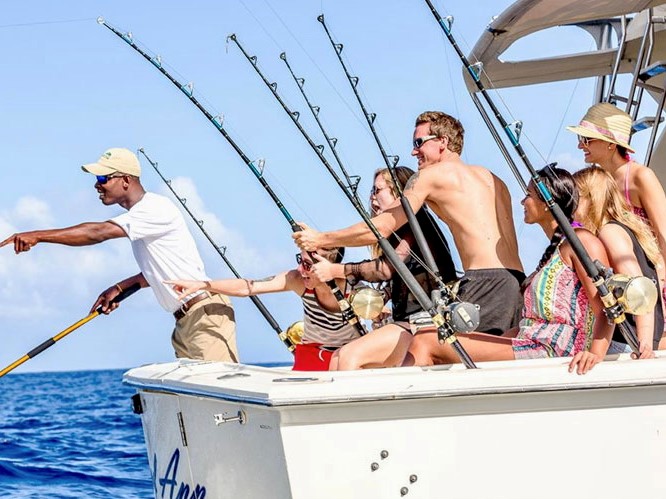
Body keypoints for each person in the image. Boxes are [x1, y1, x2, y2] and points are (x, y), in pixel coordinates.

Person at [293, 111, 525, 336]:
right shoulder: (493, 179)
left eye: (418, 143)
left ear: (443, 141)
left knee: (430, 352)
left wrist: (320, 239)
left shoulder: (431, 176)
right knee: (498, 357)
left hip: (484, 282)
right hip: (517, 283)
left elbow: (380, 228)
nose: (413, 152)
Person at [0, 147, 238, 362]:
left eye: (103, 178)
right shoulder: (142, 216)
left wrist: (37, 235)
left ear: (125, 179)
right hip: (186, 321)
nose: (97, 185)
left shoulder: (154, 208)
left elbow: (97, 233)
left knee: (220, 393)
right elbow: (164, 272)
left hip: (204, 317)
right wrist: (120, 288)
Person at [402, 167, 613, 375]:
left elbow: (607, 304)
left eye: (528, 195)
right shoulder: (554, 252)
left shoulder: (581, 241)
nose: (523, 201)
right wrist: (488, 343)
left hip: (554, 350)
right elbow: (529, 325)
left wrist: (596, 353)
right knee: (432, 335)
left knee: (426, 341)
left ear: (546, 203)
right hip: (532, 343)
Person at [308, 166, 457, 370]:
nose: (372, 197)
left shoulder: (415, 223)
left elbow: (385, 269)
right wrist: (382, 298)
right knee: (337, 358)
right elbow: (406, 274)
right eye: (372, 191)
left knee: (349, 356)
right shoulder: (402, 230)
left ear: (398, 193)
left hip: (427, 324)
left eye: (377, 190)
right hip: (409, 322)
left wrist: (335, 270)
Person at [566, 102, 666, 347]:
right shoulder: (597, 180)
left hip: (651, 277)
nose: (580, 145)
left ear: (611, 144)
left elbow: (663, 234)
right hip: (620, 285)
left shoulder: (640, 176)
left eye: (587, 139)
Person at [166, 247, 360, 371]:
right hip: (310, 356)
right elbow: (248, 287)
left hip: (346, 360)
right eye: (299, 261)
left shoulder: (355, 292)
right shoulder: (297, 280)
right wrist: (204, 285)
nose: (301, 270)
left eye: (307, 265)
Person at [569, 166, 661, 370]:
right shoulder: (624, 230)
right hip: (631, 340)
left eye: (575, 197)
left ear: (591, 198)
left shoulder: (609, 232)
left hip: (626, 343)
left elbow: (640, 289)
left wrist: (644, 344)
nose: (570, 204)